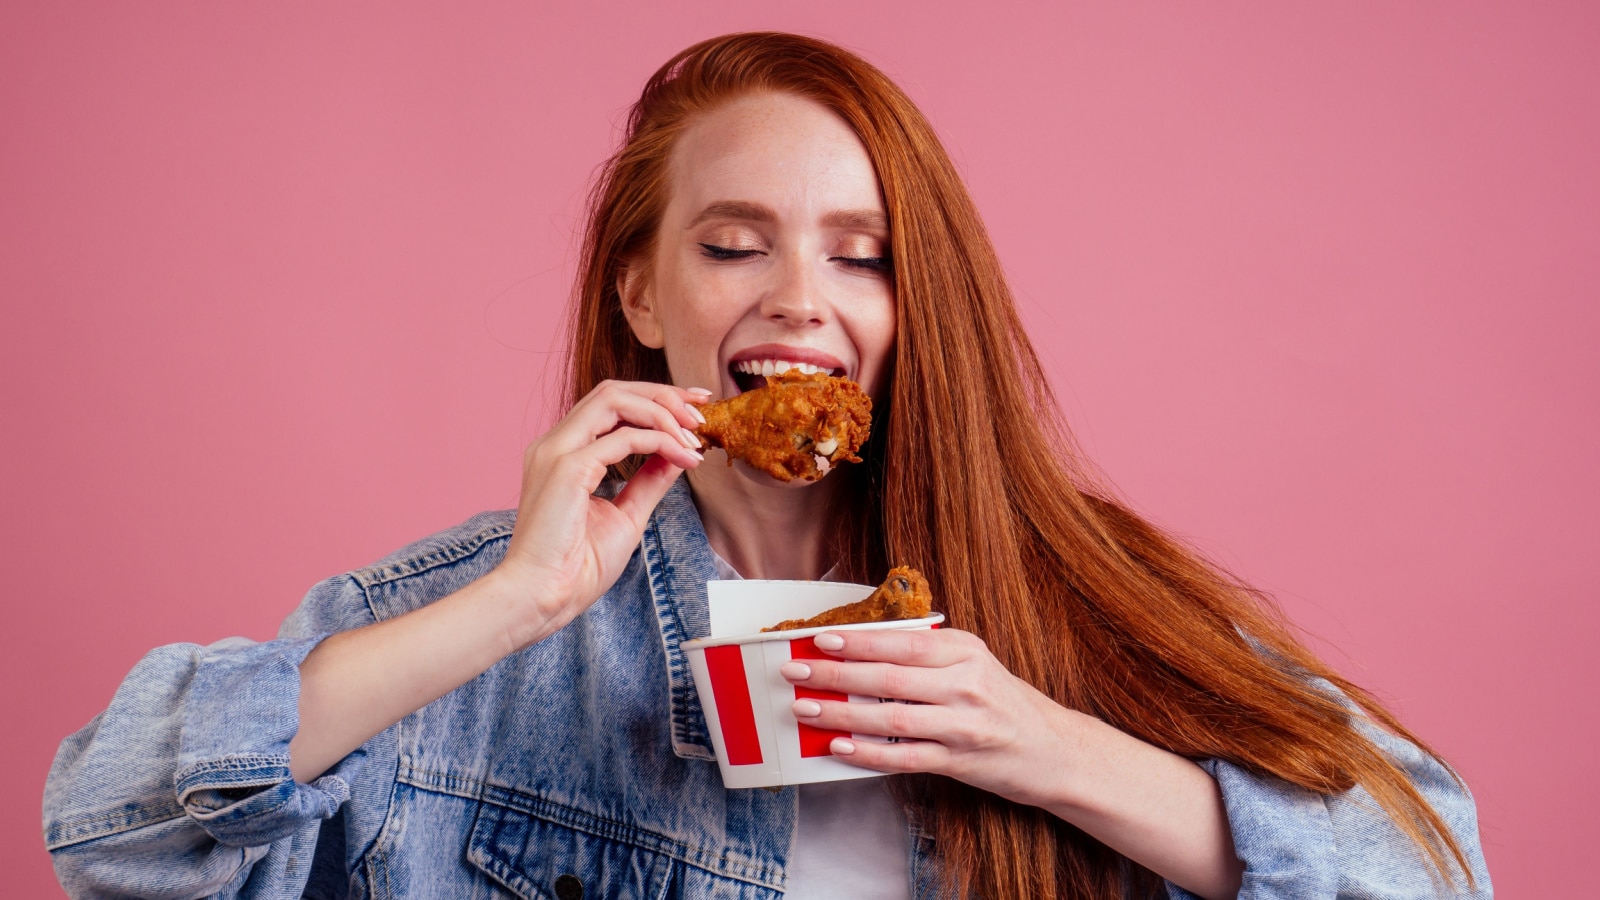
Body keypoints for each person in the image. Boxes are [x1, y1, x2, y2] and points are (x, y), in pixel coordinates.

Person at [43, 32, 1490, 900]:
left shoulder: (1069, 599)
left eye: (863, 258)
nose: (802, 298)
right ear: (642, 297)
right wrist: (513, 603)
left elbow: (1435, 870)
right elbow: (107, 831)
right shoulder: (489, 628)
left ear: (917, 311)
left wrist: (1035, 745)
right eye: (733, 246)